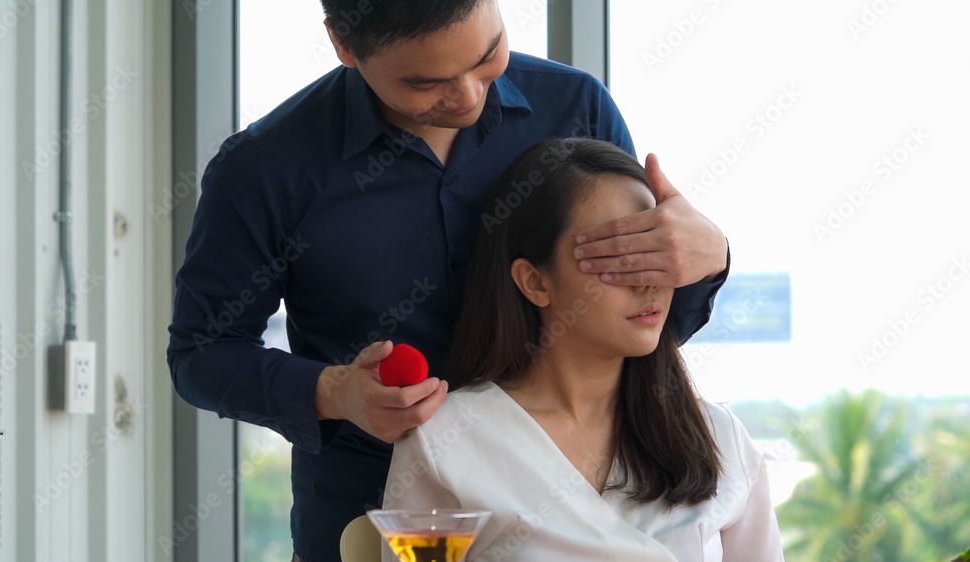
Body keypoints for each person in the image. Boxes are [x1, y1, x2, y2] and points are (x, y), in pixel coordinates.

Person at [166, 1, 730, 560]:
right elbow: (201, 353)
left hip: (581, 499)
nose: (467, 96)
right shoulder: (265, 169)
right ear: (344, 44)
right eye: (425, 82)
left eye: (488, 57)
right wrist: (334, 392)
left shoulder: (575, 106)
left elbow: (628, 317)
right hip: (372, 512)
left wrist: (705, 259)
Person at [382, 138, 782, 562]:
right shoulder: (444, 440)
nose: (647, 281)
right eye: (620, 259)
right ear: (535, 281)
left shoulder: (718, 438)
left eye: (656, 255)